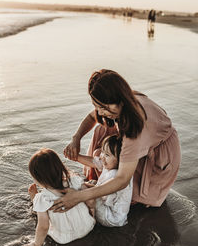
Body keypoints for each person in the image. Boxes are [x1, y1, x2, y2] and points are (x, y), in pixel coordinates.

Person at [51, 69, 181, 213]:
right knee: (101, 128)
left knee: (127, 197)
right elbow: (92, 117)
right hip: (140, 137)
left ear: (120, 100)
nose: (99, 112)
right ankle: (100, 176)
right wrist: (76, 138)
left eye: (103, 107)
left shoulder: (134, 129)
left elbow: (122, 179)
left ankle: (137, 188)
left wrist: (79, 197)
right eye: (96, 106)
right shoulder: (124, 101)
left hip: (160, 152)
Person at [19, 148, 95, 246]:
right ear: (60, 167)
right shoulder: (75, 181)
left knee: (40, 213)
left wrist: (36, 244)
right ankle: (36, 204)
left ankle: (35, 202)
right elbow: (91, 200)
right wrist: (92, 214)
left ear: (38, 178)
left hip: (64, 238)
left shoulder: (44, 198)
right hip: (88, 227)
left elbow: (43, 226)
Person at [72, 134, 133, 227]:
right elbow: (94, 162)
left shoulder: (115, 175)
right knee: (91, 182)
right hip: (111, 209)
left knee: (82, 188)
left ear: (121, 160)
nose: (102, 157)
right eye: (103, 152)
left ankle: (87, 218)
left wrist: (83, 185)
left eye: (107, 155)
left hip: (110, 217)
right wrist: (76, 157)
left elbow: (100, 193)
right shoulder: (109, 164)